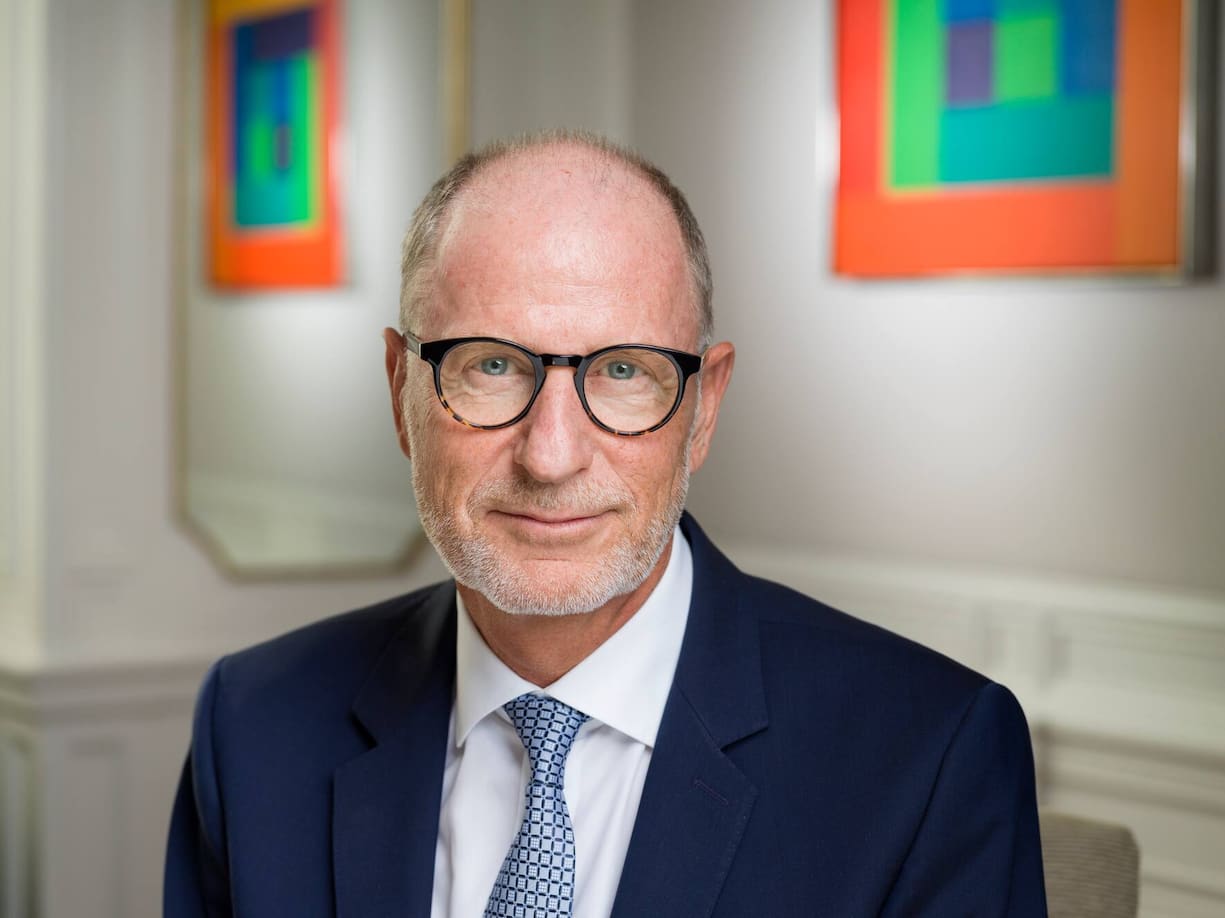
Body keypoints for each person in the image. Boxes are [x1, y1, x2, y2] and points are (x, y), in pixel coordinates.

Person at [165, 131, 1047, 917]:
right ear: (402, 391)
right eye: (492, 367)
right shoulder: (254, 727)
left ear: (702, 409)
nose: (550, 456)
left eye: (624, 370)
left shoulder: (928, 756)